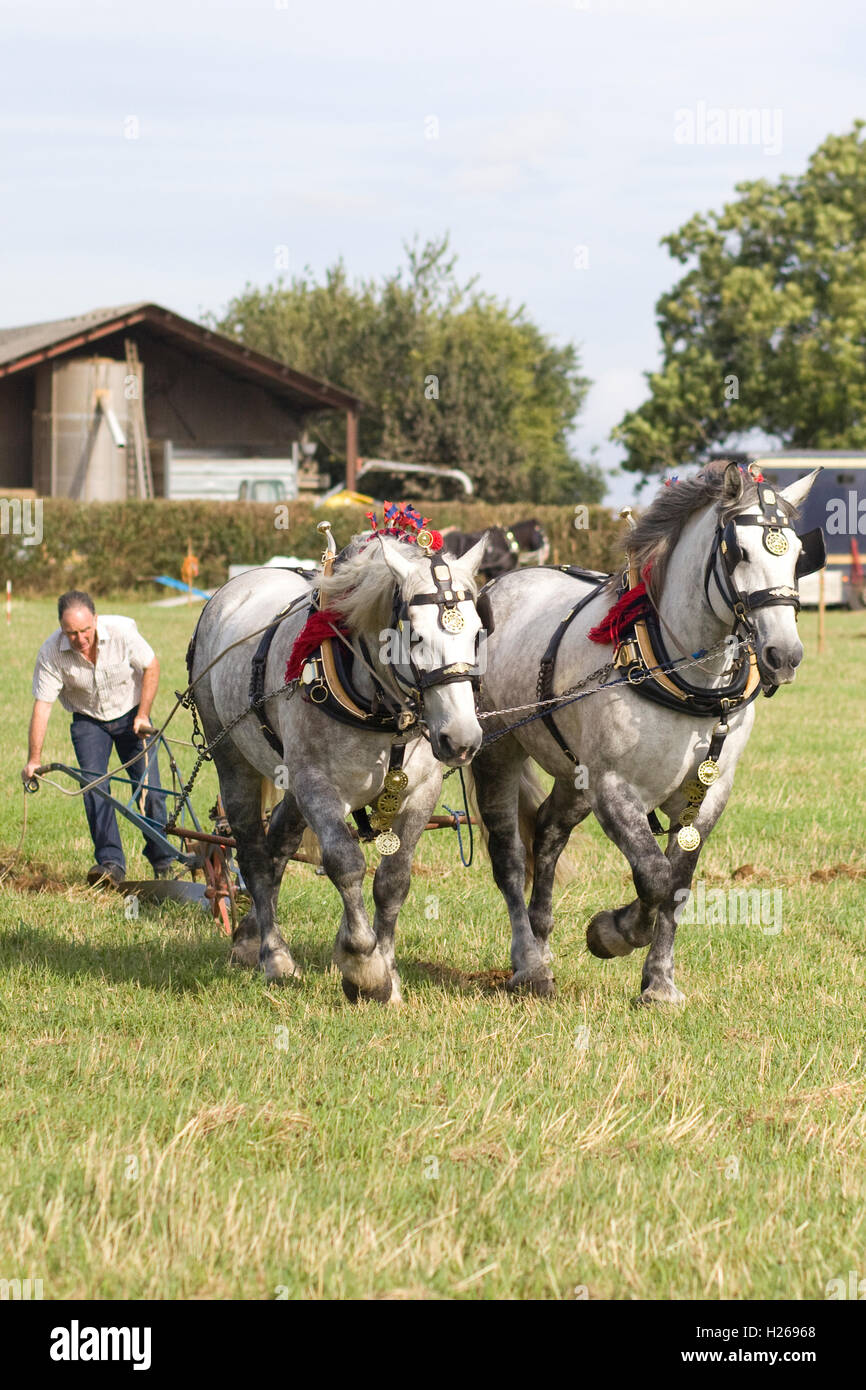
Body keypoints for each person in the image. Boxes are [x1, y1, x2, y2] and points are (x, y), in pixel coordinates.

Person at [22, 590, 174, 887]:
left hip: (132, 717)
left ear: (95, 619)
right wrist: (34, 759)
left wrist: (143, 714)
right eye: (71, 633)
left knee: (150, 791)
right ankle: (111, 864)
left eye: (84, 630)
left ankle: (163, 860)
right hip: (88, 722)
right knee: (95, 788)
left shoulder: (122, 632)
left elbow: (151, 666)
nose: (79, 639)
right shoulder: (51, 652)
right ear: (62, 628)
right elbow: (42, 705)